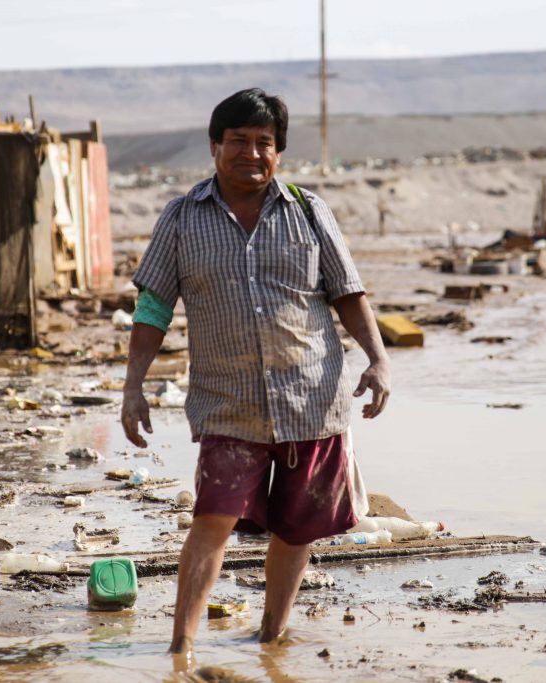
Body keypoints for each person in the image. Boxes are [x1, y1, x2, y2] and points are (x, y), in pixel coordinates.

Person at [120, 88, 390, 656]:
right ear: (215, 146)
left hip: (312, 403)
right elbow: (152, 307)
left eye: (264, 143)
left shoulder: (310, 211)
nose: (251, 153)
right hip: (229, 403)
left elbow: (347, 292)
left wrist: (378, 359)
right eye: (238, 141)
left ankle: (272, 639)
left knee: (297, 530)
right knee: (212, 520)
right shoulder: (181, 218)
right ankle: (181, 648)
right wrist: (133, 386)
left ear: (279, 152)